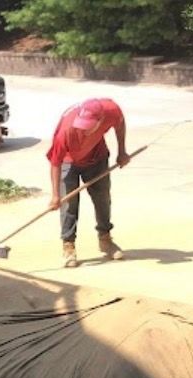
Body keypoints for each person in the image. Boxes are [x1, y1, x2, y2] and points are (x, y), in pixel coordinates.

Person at [46, 98, 131, 268]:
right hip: (68, 161)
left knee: (102, 199)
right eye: (81, 125)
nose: (83, 129)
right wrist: (55, 195)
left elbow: (120, 124)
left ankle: (105, 240)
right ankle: (68, 246)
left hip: (96, 157)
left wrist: (122, 151)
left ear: (100, 121)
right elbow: (55, 162)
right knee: (69, 204)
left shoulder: (111, 110)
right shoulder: (66, 130)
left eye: (88, 126)